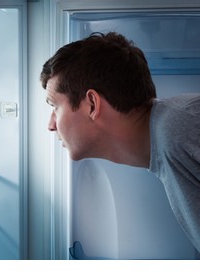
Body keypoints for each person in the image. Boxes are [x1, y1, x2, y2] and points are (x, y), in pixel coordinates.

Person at [40, 32, 200, 253]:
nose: (51, 125)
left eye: (55, 107)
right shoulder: (167, 140)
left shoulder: (181, 128)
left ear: (92, 105)